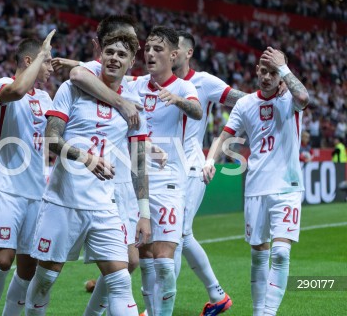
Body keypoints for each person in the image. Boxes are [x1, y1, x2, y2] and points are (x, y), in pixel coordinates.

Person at [26, 30, 150, 316]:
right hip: (63, 200)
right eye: (110, 52)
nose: (114, 59)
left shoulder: (134, 106)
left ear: (131, 62)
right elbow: (52, 139)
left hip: (103, 206)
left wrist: (144, 212)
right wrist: (86, 158)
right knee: (45, 279)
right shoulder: (71, 90)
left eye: (122, 55)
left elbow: (138, 161)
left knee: (120, 281)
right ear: (101, 55)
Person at [203, 47, 309, 316]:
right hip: (256, 187)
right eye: (263, 71)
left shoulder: (291, 101)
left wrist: (283, 66)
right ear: (256, 72)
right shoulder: (245, 104)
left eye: (272, 72)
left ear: (281, 76)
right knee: (259, 255)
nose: (266, 77)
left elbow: (304, 96)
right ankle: (257, 311)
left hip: (287, 187)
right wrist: (210, 160)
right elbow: (225, 136)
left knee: (282, 253)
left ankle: (267, 313)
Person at [170, 30, 248, 315]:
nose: (168, 51)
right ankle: (218, 297)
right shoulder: (155, 82)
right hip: (164, 172)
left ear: (187, 53)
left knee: (174, 235)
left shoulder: (203, 82)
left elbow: (243, 101)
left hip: (191, 168)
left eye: (173, 47)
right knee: (182, 235)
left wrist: (271, 96)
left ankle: (157, 309)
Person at [127, 26, 201, 316]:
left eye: (158, 49)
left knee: (164, 262)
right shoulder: (135, 85)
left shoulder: (183, 87)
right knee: (144, 258)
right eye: (147, 49)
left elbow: (196, 110)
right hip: (137, 182)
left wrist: (178, 100)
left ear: (173, 55)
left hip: (170, 182)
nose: (150, 54)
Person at [0, 30, 55, 316]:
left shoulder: (47, 99)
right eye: (46, 62)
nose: (50, 68)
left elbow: (54, 141)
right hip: (7, 187)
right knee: (2, 260)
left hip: (37, 191)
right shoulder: (2, 85)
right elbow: (18, 91)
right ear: (29, 60)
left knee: (27, 268)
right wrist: (41, 52)